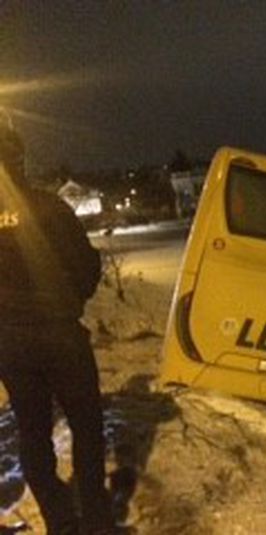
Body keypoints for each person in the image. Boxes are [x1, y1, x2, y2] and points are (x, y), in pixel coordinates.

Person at [0, 112, 115, 534]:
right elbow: (86, 266)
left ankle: (61, 522)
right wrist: (69, 301)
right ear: (20, 160)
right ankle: (97, 522)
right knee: (86, 427)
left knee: (32, 432)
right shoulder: (50, 207)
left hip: (9, 343)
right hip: (60, 335)